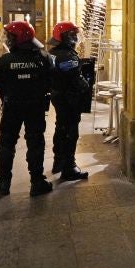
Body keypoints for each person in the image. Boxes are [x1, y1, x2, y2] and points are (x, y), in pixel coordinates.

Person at [0, 21, 54, 197]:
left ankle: (3, 183)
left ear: (18, 39)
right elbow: (51, 81)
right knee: (35, 143)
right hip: (35, 108)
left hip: (11, 108)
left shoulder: (5, 61)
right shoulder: (43, 58)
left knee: (7, 143)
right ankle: (37, 182)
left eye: (9, 37)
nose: (7, 40)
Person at [48, 21, 90, 181]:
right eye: (73, 35)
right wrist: (86, 84)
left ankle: (58, 162)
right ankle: (69, 168)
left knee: (60, 128)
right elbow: (76, 80)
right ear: (65, 37)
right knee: (71, 132)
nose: (75, 38)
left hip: (57, 95)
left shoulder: (53, 52)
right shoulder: (67, 56)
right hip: (69, 98)